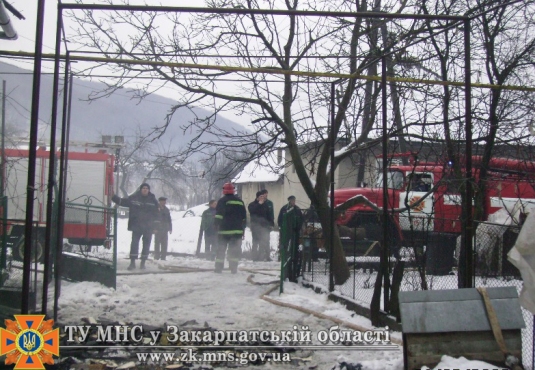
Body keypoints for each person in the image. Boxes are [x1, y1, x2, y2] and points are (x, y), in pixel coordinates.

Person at [112, 183, 160, 270]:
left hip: (148, 227)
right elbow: (123, 202)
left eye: (147, 188)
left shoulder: (153, 200)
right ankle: (132, 263)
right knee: (134, 244)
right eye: (143, 188)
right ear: (141, 189)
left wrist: (155, 227)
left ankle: (143, 263)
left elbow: (157, 214)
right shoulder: (134, 198)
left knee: (146, 245)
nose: (145, 189)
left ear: (148, 190)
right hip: (136, 226)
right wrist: (113, 197)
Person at [214, 182, 247, 273]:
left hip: (224, 231)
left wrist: (216, 225)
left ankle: (218, 268)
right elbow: (244, 217)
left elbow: (219, 215)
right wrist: (242, 230)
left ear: (224, 190)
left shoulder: (222, 201)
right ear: (233, 190)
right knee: (234, 250)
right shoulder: (240, 202)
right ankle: (233, 268)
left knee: (221, 249)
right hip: (237, 231)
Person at [277, 195, 304, 282]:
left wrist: (298, 228)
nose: (293, 202)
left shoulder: (297, 210)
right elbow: (280, 220)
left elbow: (301, 220)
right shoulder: (284, 209)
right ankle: (285, 266)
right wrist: (283, 229)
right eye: (292, 200)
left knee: (294, 251)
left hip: (295, 234)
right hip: (286, 234)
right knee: (286, 250)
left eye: (294, 200)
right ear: (289, 201)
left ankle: (292, 271)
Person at [248, 191, 273, 261]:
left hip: (264, 227)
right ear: (257, 197)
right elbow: (252, 211)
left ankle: (261, 256)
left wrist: (271, 223)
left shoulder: (265, 205)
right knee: (255, 242)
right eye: (261, 197)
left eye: (263, 196)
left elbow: (269, 215)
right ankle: (254, 257)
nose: (263, 198)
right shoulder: (252, 204)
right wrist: (259, 204)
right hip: (255, 226)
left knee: (263, 242)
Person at [154, 196, 172, 261]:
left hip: (165, 229)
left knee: (164, 244)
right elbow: (154, 218)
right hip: (158, 229)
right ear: (160, 201)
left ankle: (163, 257)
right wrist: (154, 228)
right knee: (157, 243)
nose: (164, 202)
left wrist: (170, 228)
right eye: (163, 201)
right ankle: (156, 256)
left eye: (165, 201)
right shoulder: (156, 208)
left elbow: (169, 219)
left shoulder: (166, 210)